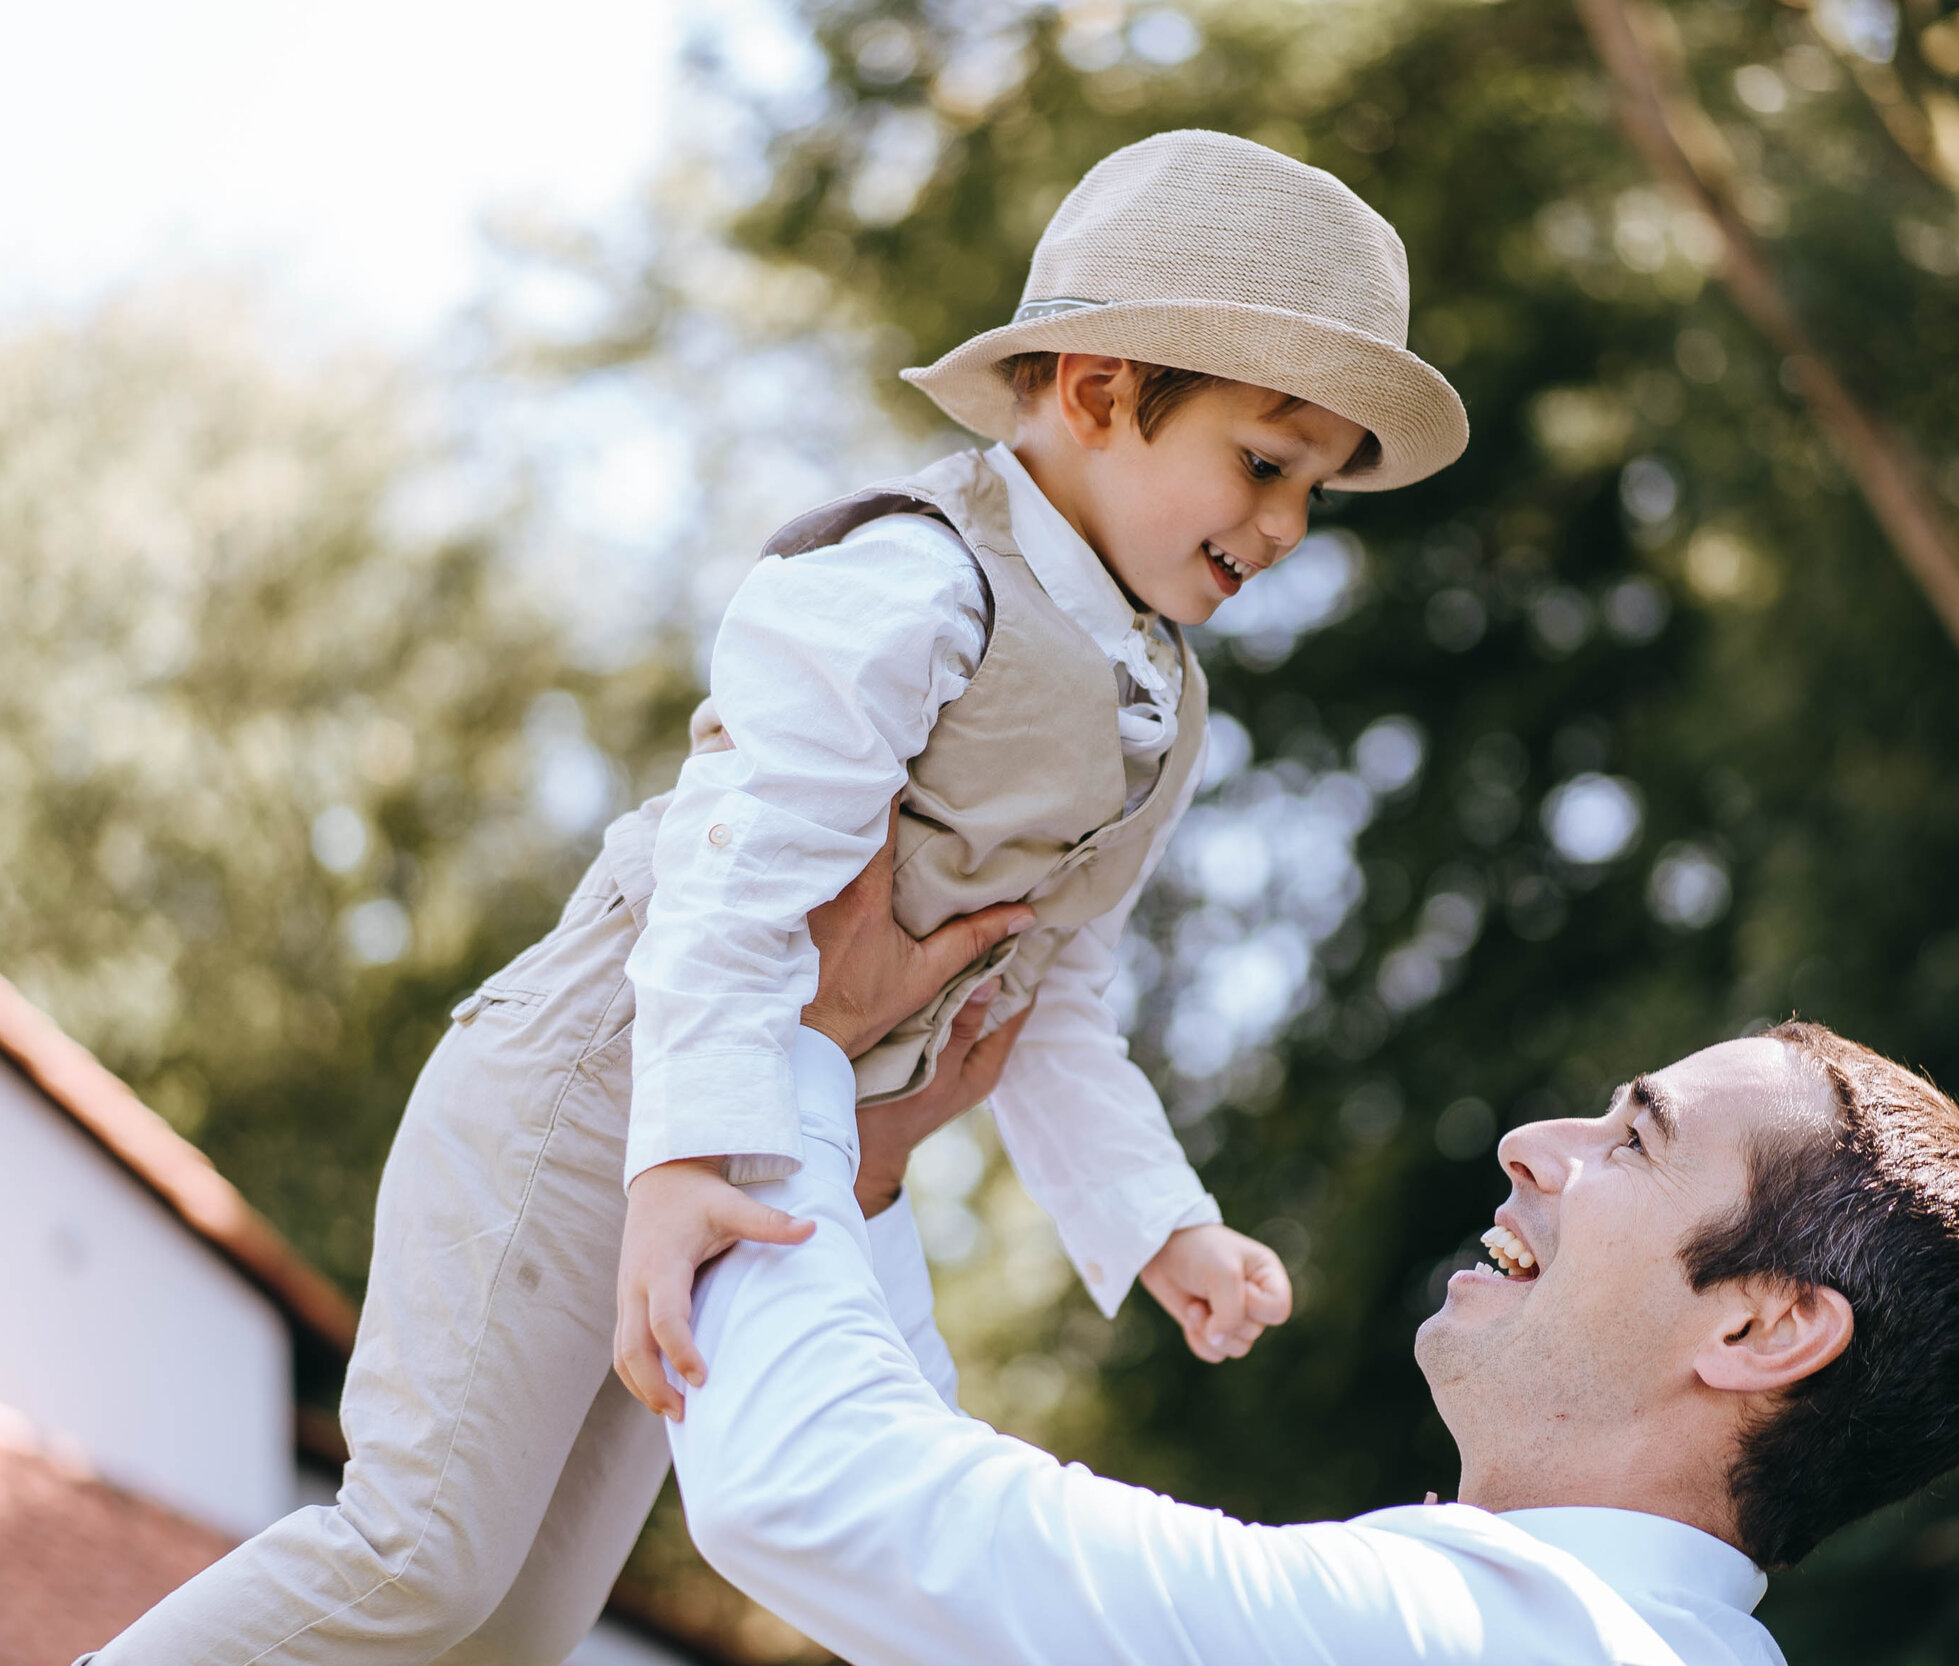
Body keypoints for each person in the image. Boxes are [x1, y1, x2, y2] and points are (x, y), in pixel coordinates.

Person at [87, 128, 1469, 1663]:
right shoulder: (915, 577)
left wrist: (1162, 1226)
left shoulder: (1161, 707)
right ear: (1093, 389)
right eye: (1265, 462)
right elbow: (737, 875)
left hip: (756, 1146)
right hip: (602, 1086)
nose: (1282, 527)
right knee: (422, 1551)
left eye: (1318, 493)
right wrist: (675, 1156)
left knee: (527, 1619)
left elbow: (1046, 993)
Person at [661, 834, 1959, 1666]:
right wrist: (871, 1170)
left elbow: (813, 1495)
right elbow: (945, 1604)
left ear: (1759, 1329)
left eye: (1634, 1138)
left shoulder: (1494, 1643)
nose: (1531, 1143)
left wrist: (779, 1051)